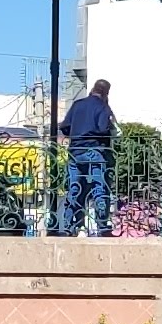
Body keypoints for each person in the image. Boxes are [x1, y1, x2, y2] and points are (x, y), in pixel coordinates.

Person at [59, 77, 117, 236]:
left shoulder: (78, 104)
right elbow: (103, 129)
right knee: (99, 188)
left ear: (93, 89)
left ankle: (69, 225)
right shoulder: (103, 107)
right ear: (106, 93)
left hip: (75, 152)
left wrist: (77, 134)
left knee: (74, 188)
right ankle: (102, 226)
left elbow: (65, 127)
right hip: (95, 152)